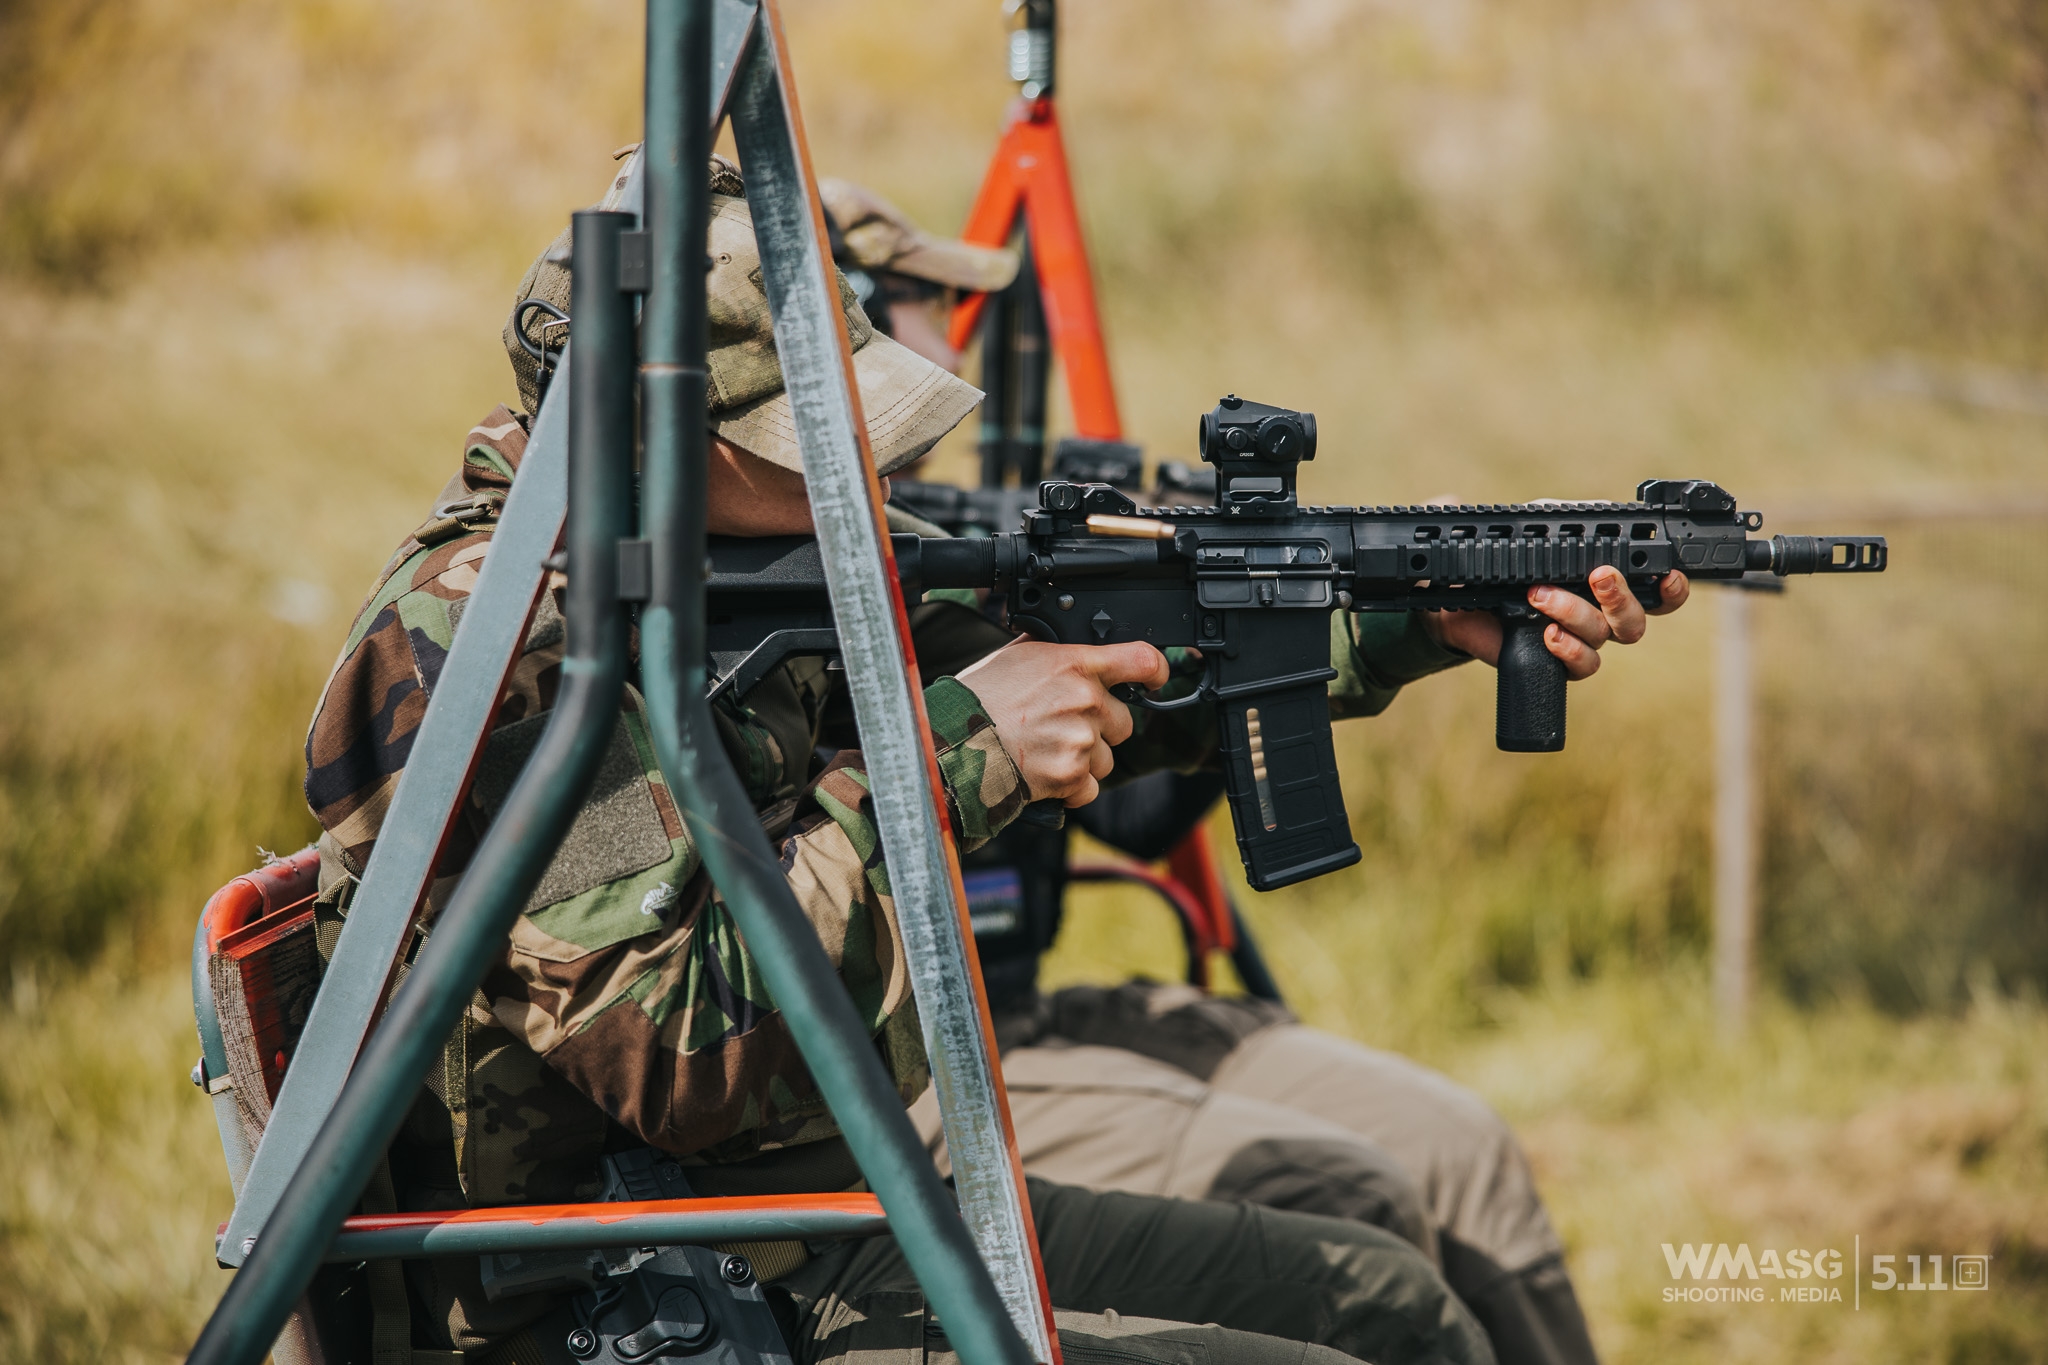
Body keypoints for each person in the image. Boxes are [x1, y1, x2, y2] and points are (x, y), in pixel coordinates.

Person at [308, 153, 1498, 1365]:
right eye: (808, 436)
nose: (867, 472)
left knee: (1381, 1302)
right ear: (660, 435)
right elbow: (678, 1058)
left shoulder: (753, 548)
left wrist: (1412, 618)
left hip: (800, 1220)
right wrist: (966, 752)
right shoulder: (485, 651)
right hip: (622, 1295)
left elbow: (1107, 661)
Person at [816, 179, 1692, 1365]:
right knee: (1353, 1205)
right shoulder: (748, 582)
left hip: (986, 1019)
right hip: (885, 1077)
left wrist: (1404, 617)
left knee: (1457, 1156)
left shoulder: (900, 543)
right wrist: (972, 745)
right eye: (916, 303)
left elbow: (1135, 724)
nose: (944, 338)